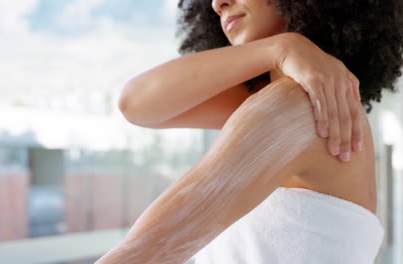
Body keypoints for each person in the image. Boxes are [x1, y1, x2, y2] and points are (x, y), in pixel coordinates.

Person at [95, 0, 403, 263]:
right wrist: (281, 47)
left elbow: (143, 253)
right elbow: (134, 103)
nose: (217, 3)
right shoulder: (279, 102)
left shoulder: (303, 106)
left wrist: (283, 48)